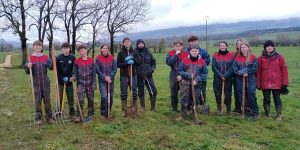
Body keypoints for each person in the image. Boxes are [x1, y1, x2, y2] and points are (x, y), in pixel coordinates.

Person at [257, 40, 289, 121]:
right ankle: (267, 115)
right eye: (267, 46)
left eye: (271, 46)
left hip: (277, 83)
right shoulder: (260, 58)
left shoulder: (280, 57)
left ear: (273, 47)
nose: (269, 47)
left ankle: (279, 115)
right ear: (265, 48)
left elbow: (284, 71)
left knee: (277, 99)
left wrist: (285, 84)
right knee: (266, 99)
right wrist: (258, 83)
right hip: (265, 83)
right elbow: (258, 72)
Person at [25, 40, 53, 125]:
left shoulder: (46, 57)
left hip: (45, 82)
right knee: (37, 101)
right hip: (36, 82)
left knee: (47, 100)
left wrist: (54, 59)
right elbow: (27, 71)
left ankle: (49, 117)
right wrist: (27, 66)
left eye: (39, 46)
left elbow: (51, 67)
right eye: (36, 46)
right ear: (33, 47)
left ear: (42, 47)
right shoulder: (30, 58)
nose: (38, 47)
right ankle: (38, 118)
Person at [178, 46, 208, 122]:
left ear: (198, 52)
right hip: (186, 83)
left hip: (197, 84)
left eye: (196, 51)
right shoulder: (184, 61)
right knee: (185, 98)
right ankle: (183, 115)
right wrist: (188, 75)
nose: (194, 52)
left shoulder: (202, 62)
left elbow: (204, 73)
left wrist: (197, 79)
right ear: (190, 52)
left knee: (195, 99)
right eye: (193, 51)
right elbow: (180, 70)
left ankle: (194, 114)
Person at [70, 45, 97, 123]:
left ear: (86, 50)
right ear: (79, 52)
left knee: (90, 99)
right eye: (80, 51)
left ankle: (90, 114)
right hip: (81, 84)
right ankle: (79, 115)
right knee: (80, 99)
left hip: (90, 83)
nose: (82, 52)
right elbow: (74, 72)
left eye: (83, 50)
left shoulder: (91, 60)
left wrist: (94, 83)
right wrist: (73, 77)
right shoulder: (77, 61)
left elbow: (94, 73)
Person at [233, 42, 259, 120]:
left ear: (248, 48)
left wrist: (246, 72)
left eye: (245, 47)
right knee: (242, 95)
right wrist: (241, 73)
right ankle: (247, 112)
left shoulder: (253, 57)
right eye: (242, 48)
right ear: (240, 49)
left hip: (250, 79)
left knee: (251, 94)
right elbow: (235, 68)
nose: (243, 49)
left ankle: (255, 112)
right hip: (240, 79)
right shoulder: (237, 58)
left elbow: (254, 68)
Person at [117, 37, 138, 117]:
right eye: (125, 42)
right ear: (123, 43)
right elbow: (118, 64)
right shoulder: (121, 53)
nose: (127, 43)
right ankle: (124, 111)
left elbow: (138, 62)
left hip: (133, 75)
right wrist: (126, 62)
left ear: (130, 43)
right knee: (124, 93)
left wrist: (134, 60)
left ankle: (134, 109)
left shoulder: (134, 52)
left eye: (128, 42)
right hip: (124, 76)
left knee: (134, 92)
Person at [212, 41, 235, 114]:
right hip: (217, 77)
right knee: (217, 93)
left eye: (224, 45)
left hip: (228, 78)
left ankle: (228, 109)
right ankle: (219, 108)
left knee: (228, 94)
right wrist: (220, 75)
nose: (222, 47)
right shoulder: (215, 55)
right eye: (221, 46)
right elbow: (214, 67)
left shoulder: (231, 55)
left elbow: (232, 66)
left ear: (226, 46)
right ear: (219, 47)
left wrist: (225, 75)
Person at [134, 39, 157, 111]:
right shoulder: (135, 53)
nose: (141, 45)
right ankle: (143, 108)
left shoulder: (148, 52)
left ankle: (153, 108)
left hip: (148, 74)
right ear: (137, 45)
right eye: (139, 44)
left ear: (144, 44)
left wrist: (152, 69)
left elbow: (153, 61)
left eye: (142, 44)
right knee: (140, 91)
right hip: (139, 75)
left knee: (153, 91)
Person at [186, 35, 210, 105]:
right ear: (189, 43)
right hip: (190, 75)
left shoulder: (203, 51)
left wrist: (200, 61)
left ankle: (202, 105)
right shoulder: (186, 52)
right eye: (191, 41)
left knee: (202, 91)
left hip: (201, 76)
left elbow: (208, 60)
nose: (193, 43)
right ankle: (191, 106)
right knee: (190, 91)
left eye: (195, 41)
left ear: (197, 42)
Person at [166, 40, 189, 112]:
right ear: (174, 46)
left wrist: (182, 75)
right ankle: (174, 108)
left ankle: (184, 108)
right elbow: (169, 63)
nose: (178, 47)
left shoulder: (186, 54)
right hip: (173, 75)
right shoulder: (170, 53)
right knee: (173, 92)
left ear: (182, 46)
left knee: (184, 92)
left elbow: (188, 65)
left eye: (180, 45)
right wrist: (176, 55)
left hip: (183, 75)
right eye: (176, 45)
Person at [95, 44, 117, 118]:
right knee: (104, 96)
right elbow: (97, 70)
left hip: (111, 80)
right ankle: (103, 113)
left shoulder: (111, 58)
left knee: (110, 96)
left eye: (107, 48)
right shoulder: (98, 58)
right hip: (102, 81)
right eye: (104, 48)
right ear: (101, 49)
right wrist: (105, 77)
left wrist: (110, 77)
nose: (105, 49)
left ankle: (108, 112)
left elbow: (115, 68)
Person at [56, 42, 76, 119]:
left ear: (69, 49)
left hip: (70, 81)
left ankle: (72, 113)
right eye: (64, 48)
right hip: (61, 82)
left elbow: (74, 69)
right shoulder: (58, 58)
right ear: (62, 49)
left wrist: (72, 77)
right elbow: (57, 71)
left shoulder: (72, 57)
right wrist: (61, 79)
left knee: (70, 97)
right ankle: (58, 112)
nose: (65, 50)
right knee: (60, 96)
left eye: (67, 48)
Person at [232, 39, 245, 113]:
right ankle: (238, 107)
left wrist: (243, 72)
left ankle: (245, 107)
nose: (239, 45)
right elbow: (233, 65)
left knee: (244, 92)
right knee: (236, 92)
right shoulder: (235, 54)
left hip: (245, 75)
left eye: (240, 43)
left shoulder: (247, 53)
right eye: (237, 44)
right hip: (236, 75)